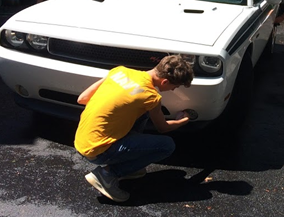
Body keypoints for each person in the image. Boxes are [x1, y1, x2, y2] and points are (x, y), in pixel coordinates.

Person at [74, 55, 194, 202]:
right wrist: (183, 120)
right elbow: (163, 128)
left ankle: (128, 164)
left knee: (142, 112)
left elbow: (82, 98)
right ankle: (108, 174)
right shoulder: (151, 96)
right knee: (167, 145)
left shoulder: (120, 71)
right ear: (165, 81)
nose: (173, 89)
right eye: (174, 87)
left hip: (82, 140)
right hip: (98, 151)